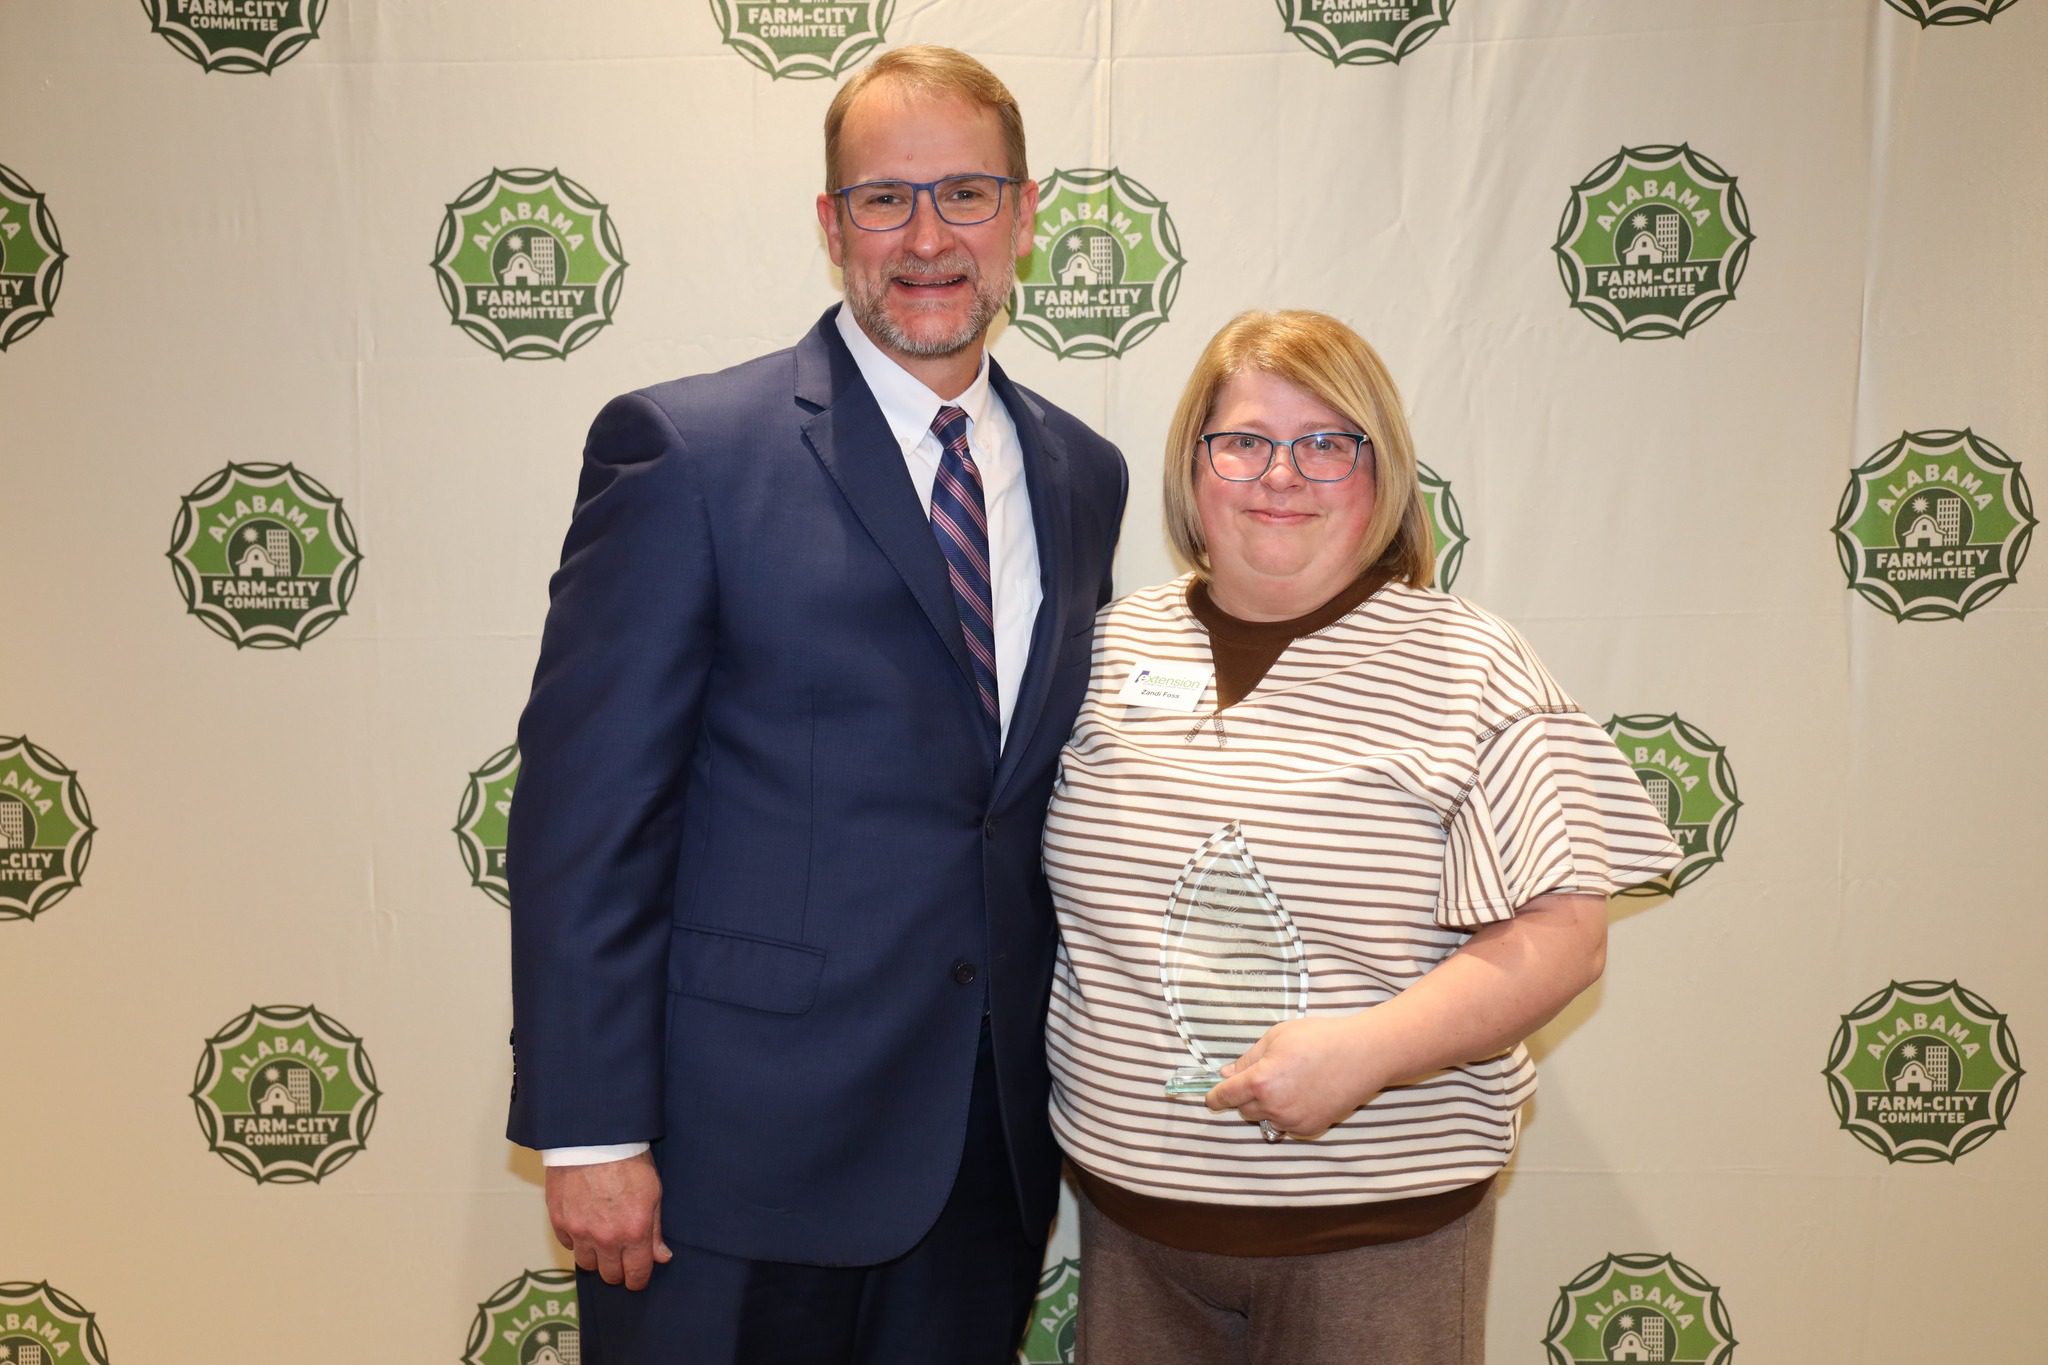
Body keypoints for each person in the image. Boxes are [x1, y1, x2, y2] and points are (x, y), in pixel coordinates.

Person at [505, 45, 1128, 1365]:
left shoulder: (1085, 474)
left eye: (964, 193)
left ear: (1023, 215)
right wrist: (592, 1130)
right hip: (727, 1165)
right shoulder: (686, 455)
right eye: (883, 199)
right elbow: (587, 814)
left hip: (982, 1155)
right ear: (831, 226)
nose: (925, 237)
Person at [1041, 310, 1681, 1364]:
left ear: (1380, 472)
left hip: (1376, 1237)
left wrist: (1365, 1053)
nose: (1278, 476)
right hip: (1133, 1231)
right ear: (1190, 469)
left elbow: (1565, 938)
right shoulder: (1103, 648)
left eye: (1326, 444)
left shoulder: (1472, 666)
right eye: (1242, 441)